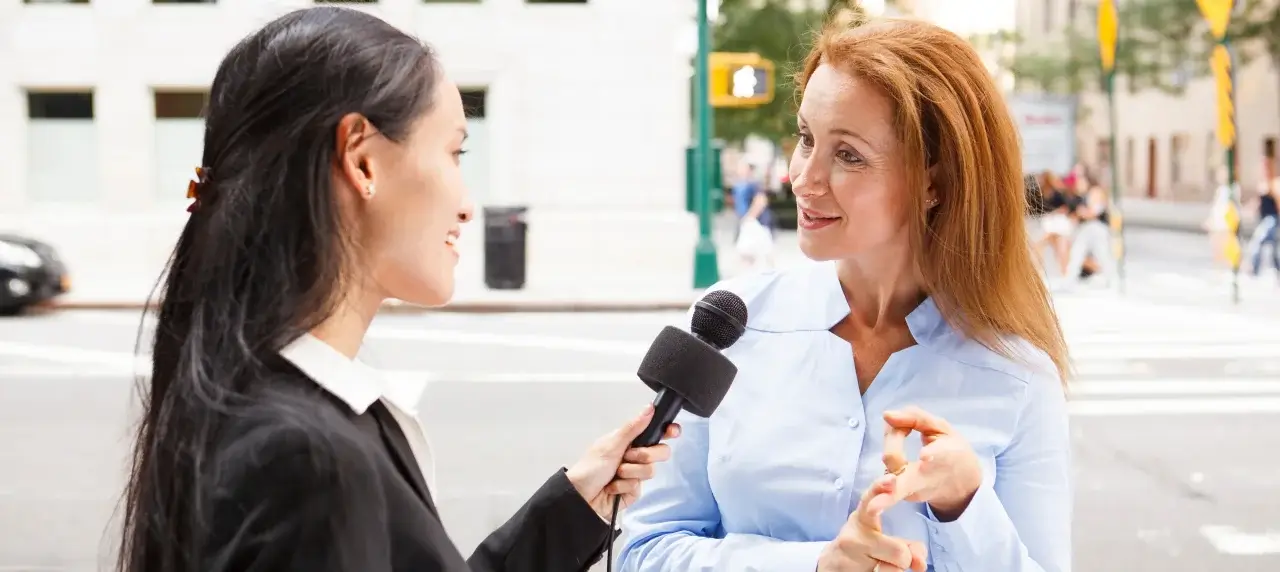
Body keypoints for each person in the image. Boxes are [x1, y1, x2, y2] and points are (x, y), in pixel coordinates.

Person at [116, 8, 677, 572]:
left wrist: (573, 508)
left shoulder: (269, 404)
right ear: (362, 161)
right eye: (455, 152)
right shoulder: (307, 459)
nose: (467, 202)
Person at [618, 12, 1070, 572]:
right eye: (806, 138)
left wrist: (965, 505)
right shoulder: (731, 324)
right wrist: (814, 565)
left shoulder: (1018, 376)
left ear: (936, 181)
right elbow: (644, 550)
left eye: (849, 155)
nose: (802, 177)